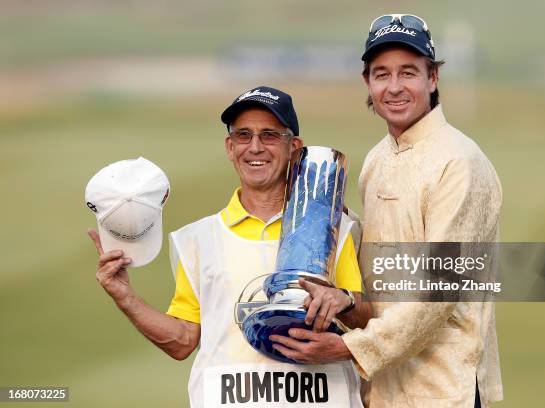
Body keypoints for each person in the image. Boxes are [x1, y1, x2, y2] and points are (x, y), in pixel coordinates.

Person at [270, 15, 504, 408]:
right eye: (381, 74)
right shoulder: (378, 159)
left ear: (432, 78)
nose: (394, 87)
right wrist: (332, 228)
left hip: (445, 390)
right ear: (368, 83)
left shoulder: (459, 162)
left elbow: (436, 297)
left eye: (408, 72)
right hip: (384, 390)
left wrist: (347, 347)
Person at [88, 86, 370, 407]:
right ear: (229, 146)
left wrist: (345, 301)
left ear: (294, 148)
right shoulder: (196, 239)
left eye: (269, 135)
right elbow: (182, 342)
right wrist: (124, 295)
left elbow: (368, 322)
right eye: (243, 135)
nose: (255, 147)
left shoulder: (336, 228)